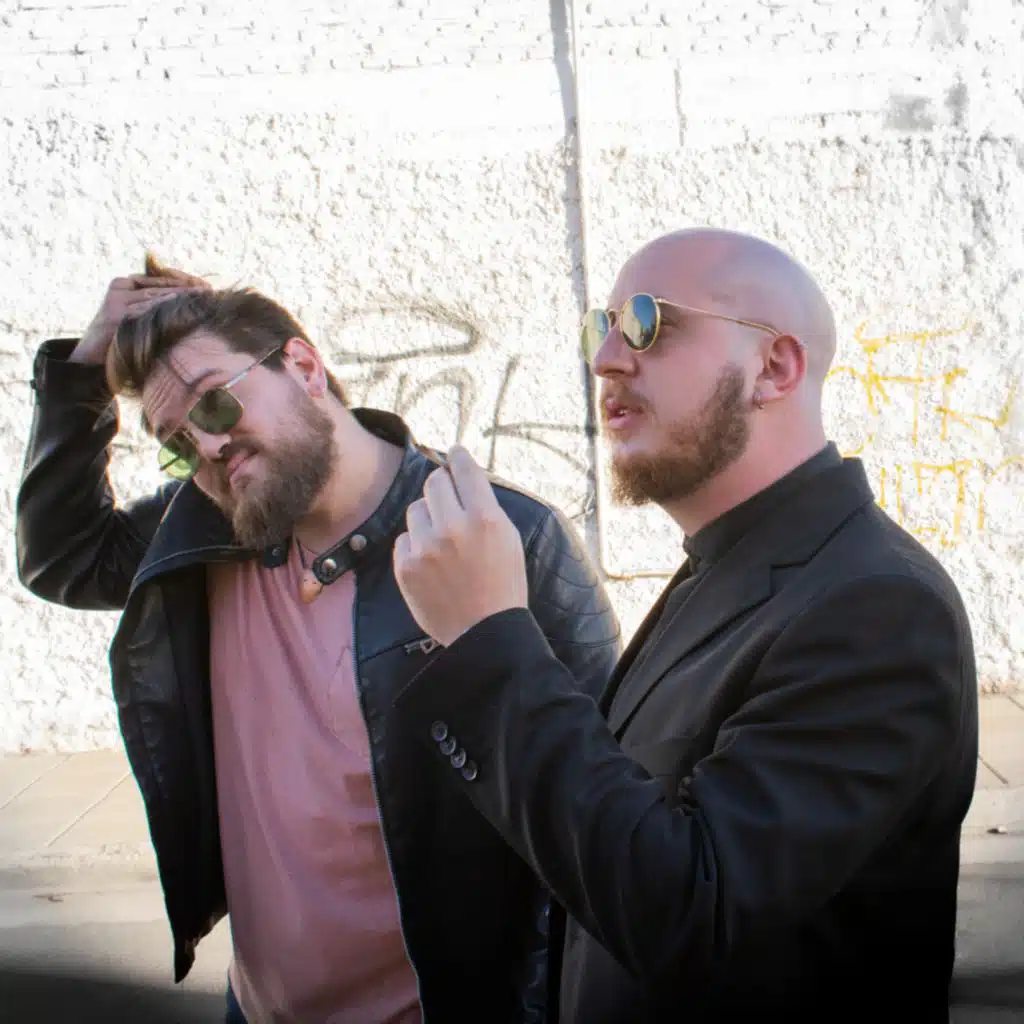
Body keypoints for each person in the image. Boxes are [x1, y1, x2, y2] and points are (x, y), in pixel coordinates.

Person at [388, 228, 980, 1022]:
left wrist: (489, 638)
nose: (606, 359)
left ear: (775, 367)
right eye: (599, 329)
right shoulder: (729, 566)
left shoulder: (878, 607)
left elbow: (693, 916)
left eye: (648, 322)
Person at [15, 257, 621, 1023]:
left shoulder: (496, 537)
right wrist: (82, 371)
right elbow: (63, 557)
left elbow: (596, 823)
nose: (206, 449)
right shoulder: (206, 529)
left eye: (215, 404)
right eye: (177, 444)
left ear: (303, 367)